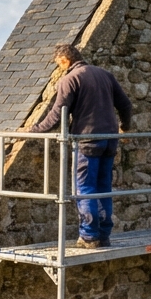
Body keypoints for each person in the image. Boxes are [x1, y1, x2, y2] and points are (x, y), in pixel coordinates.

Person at [29, 43, 133, 249]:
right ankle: (104, 235)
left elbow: (57, 114)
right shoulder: (105, 75)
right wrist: (125, 128)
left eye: (59, 65)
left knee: (85, 188)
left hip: (86, 140)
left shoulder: (70, 79)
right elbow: (126, 105)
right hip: (110, 138)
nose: (60, 69)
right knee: (103, 188)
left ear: (64, 60)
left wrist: (35, 130)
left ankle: (89, 236)